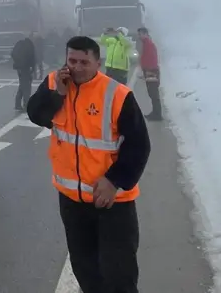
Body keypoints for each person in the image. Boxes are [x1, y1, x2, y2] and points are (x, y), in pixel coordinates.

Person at [26, 36, 150, 293]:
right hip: (71, 201)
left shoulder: (117, 95)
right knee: (85, 269)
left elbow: (139, 145)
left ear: (97, 62)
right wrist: (57, 95)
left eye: (84, 61)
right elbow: (35, 115)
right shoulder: (54, 83)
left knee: (119, 273)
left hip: (112, 202)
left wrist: (114, 180)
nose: (77, 67)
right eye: (72, 60)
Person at [137, 27, 162, 121]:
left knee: (153, 93)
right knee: (152, 93)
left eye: (140, 34)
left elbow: (150, 58)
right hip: (149, 71)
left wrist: (146, 70)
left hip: (151, 71)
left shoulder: (148, 44)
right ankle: (155, 112)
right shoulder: (146, 43)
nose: (139, 36)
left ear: (145, 34)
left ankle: (157, 115)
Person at [11, 33, 39, 112]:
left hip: (19, 68)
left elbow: (12, 54)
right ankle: (26, 105)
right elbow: (32, 58)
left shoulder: (19, 43)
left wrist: (18, 63)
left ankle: (17, 104)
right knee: (27, 87)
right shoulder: (30, 45)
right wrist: (32, 68)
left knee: (22, 85)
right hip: (26, 68)